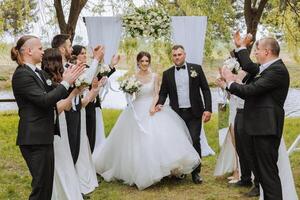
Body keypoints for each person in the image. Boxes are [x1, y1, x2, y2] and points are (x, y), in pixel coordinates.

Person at [94, 51, 200, 190]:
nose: (144, 63)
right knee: (136, 140)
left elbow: (157, 93)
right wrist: (128, 92)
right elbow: (130, 96)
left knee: (160, 138)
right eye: (142, 61)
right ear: (138, 62)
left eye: (147, 61)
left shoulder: (155, 76)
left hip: (151, 108)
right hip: (136, 109)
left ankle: (165, 169)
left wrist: (152, 106)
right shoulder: (132, 77)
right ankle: (139, 169)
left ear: (149, 62)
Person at [11, 35, 84, 200]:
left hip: (44, 137)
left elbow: (55, 94)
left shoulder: (39, 73)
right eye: (39, 48)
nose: (43, 52)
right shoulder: (22, 75)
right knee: (40, 189)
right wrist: (66, 83)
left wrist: (74, 81)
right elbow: (44, 101)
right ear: (29, 51)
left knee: (46, 188)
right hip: (34, 140)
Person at [220, 33, 290, 200]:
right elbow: (250, 66)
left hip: (266, 129)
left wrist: (230, 82)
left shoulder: (277, 71)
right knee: (263, 175)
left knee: (268, 175)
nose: (255, 53)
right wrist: (240, 47)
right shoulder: (268, 69)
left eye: (257, 50)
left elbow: (250, 91)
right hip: (259, 127)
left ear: (267, 52)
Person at [156, 45, 212, 184]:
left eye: (179, 54)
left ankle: (196, 172)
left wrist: (208, 108)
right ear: (172, 57)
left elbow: (205, 89)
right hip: (176, 114)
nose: (177, 57)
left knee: (194, 140)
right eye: (174, 55)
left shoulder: (196, 69)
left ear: (184, 55)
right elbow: (163, 92)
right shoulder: (167, 73)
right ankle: (180, 171)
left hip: (194, 113)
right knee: (178, 143)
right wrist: (159, 103)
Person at [51, 34, 104, 164]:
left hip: (77, 109)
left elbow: (88, 78)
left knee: (75, 147)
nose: (71, 49)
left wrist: (98, 60)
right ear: (62, 49)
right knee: (69, 148)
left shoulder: (69, 65)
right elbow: (86, 80)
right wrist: (96, 59)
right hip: (66, 112)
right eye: (69, 46)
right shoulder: (57, 68)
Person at [41, 48, 83, 200]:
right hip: (55, 123)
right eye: (62, 61)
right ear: (55, 62)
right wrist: (74, 93)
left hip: (62, 123)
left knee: (64, 156)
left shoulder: (55, 79)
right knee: (59, 158)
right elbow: (59, 107)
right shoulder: (48, 81)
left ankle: (69, 190)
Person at [71, 45, 120, 153]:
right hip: (82, 105)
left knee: (93, 136)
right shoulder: (73, 70)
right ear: (74, 55)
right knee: (86, 136)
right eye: (82, 53)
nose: (85, 55)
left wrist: (111, 65)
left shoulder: (88, 67)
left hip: (93, 105)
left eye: (85, 53)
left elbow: (99, 76)